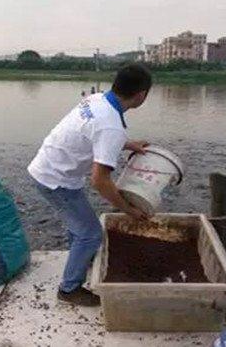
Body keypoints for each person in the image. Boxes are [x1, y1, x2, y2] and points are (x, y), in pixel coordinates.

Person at [28, 64, 152, 306]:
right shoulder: (111, 127)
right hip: (55, 179)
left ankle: (81, 261)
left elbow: (94, 132)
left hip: (50, 166)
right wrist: (129, 209)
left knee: (80, 227)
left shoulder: (97, 99)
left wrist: (128, 144)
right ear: (141, 95)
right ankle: (69, 289)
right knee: (91, 233)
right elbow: (99, 181)